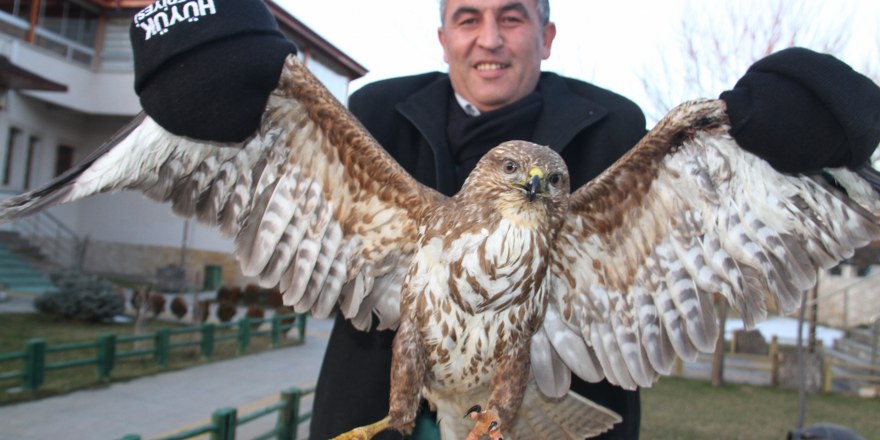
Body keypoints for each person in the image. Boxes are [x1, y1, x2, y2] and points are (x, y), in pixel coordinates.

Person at [125, 0, 880, 438]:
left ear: (545, 37)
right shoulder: (373, 112)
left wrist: (791, 138)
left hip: (544, 405)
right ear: (444, 35)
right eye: (468, 17)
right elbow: (245, 122)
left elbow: (725, 204)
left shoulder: (616, 124)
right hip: (385, 405)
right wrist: (208, 74)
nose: (490, 37)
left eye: (513, 17)